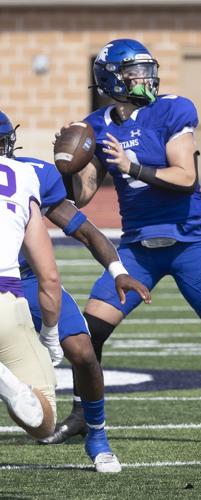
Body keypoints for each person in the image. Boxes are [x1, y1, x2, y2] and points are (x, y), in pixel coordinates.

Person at [46, 39, 201, 449]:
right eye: (134, 72)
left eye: (146, 70)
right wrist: (67, 167)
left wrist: (131, 165)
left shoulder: (173, 109)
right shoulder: (97, 124)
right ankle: (83, 413)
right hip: (137, 249)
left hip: (188, 242)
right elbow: (82, 195)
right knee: (88, 334)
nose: (145, 78)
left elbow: (184, 176)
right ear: (110, 78)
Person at [0, 111, 151, 473]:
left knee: (82, 350)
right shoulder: (28, 173)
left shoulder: (34, 174)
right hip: (19, 281)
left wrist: (117, 270)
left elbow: (84, 229)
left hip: (27, 278)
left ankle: (97, 437)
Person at [0, 152, 61, 440]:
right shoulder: (24, 174)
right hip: (6, 302)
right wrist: (50, 334)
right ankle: (7, 384)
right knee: (43, 420)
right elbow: (48, 276)